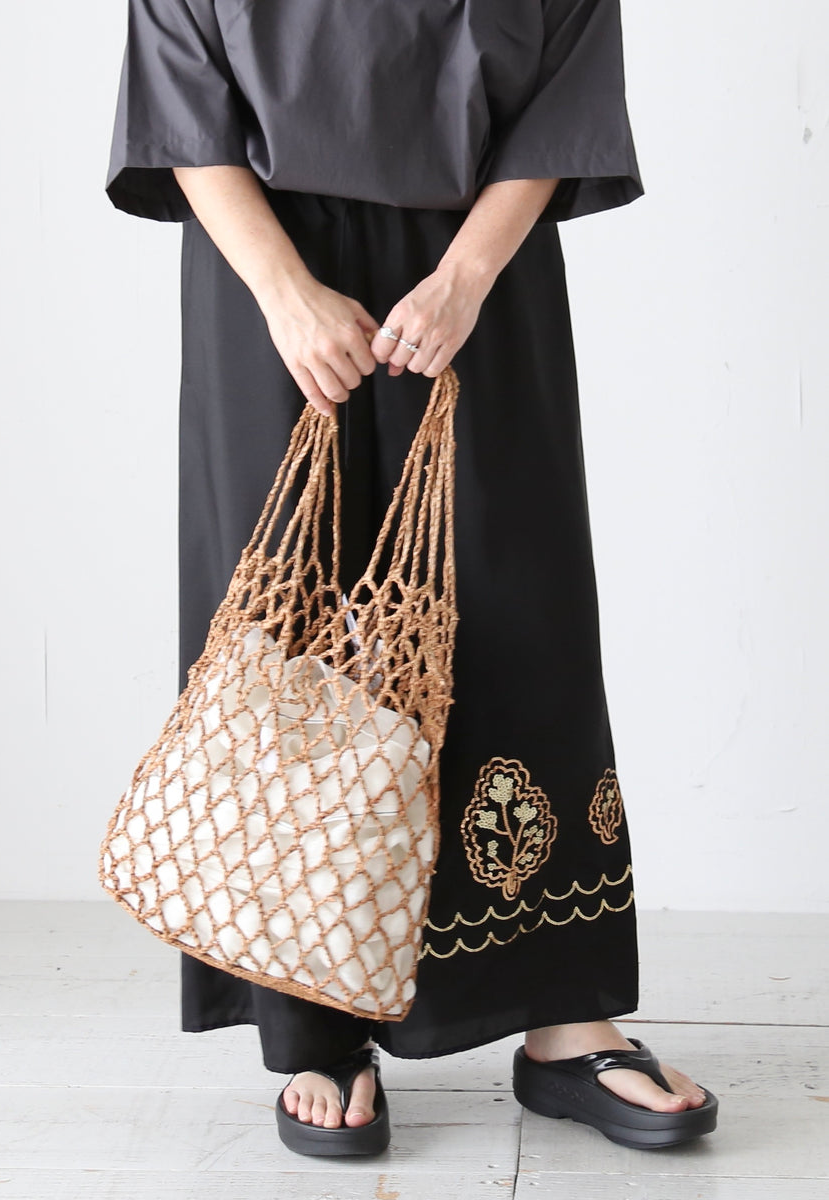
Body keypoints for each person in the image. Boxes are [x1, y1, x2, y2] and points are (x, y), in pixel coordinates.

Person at [104, 0, 719, 1157]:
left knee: (514, 605)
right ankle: (318, 1023)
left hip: (482, 272)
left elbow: (565, 90)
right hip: (266, 281)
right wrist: (284, 293)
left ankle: (562, 1018)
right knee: (294, 640)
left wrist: (465, 279)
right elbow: (183, 96)